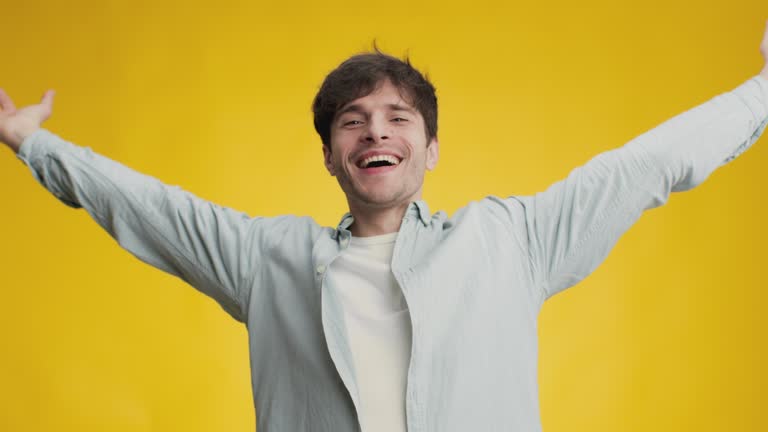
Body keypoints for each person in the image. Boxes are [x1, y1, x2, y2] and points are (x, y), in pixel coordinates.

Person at [1, 23, 767, 432]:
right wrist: (33, 141)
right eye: (352, 122)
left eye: (398, 118)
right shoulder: (265, 259)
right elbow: (147, 207)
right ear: (332, 157)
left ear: (430, 149)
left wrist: (762, 92)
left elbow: (645, 166)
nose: (376, 133)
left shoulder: (512, 241)